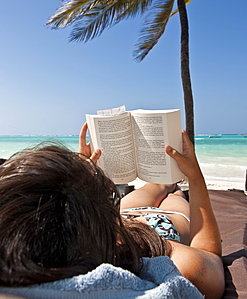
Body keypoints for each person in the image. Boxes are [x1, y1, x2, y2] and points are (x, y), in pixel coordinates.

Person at [0, 123, 224, 299]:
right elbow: (209, 256)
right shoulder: (163, 259)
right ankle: (174, 188)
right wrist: (194, 177)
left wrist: (77, 179)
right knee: (173, 193)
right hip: (161, 225)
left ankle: (168, 184)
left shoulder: (79, 243)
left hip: (122, 216)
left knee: (160, 185)